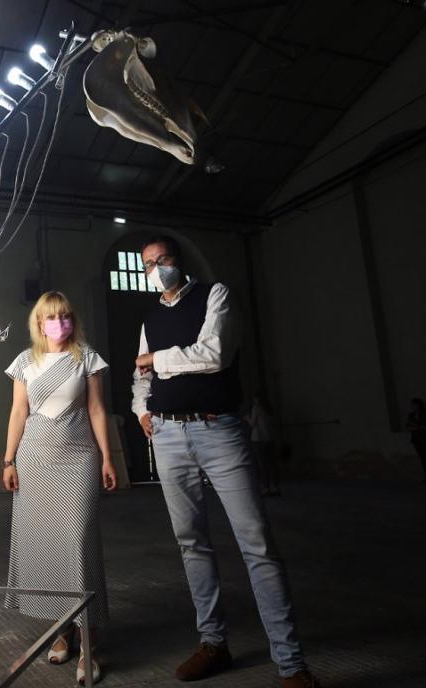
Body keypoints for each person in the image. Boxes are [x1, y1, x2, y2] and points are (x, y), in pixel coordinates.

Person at [131, 236, 321, 688]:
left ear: (180, 260)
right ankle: (213, 643)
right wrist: (142, 407)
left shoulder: (214, 294)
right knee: (191, 543)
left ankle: (292, 666)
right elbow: (138, 376)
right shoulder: (151, 317)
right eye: (148, 265)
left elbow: (214, 354)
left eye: (162, 260)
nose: (157, 269)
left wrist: (156, 359)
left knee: (256, 544)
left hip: (219, 431)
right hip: (169, 435)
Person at [3, 291, 118, 684]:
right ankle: (63, 627)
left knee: (78, 544)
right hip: (34, 460)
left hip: (78, 458)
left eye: (65, 316)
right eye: (51, 317)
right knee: (47, 547)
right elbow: (19, 411)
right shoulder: (24, 362)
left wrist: (107, 457)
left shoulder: (86, 357)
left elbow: (97, 410)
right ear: (39, 323)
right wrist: (7, 459)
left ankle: (89, 641)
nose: (59, 323)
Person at [247, 396, 282, 497]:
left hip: (258, 439)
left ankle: (266, 487)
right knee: (272, 464)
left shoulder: (256, 408)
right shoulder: (269, 409)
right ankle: (275, 486)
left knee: (262, 465)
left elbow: (252, 424)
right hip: (270, 438)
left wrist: (247, 418)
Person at [406, 398, 426, 482]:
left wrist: (417, 427)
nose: (413, 406)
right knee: (422, 458)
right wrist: (415, 428)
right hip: (416, 439)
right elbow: (408, 426)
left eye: (414, 405)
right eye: (412, 405)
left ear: (419, 405)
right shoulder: (411, 415)